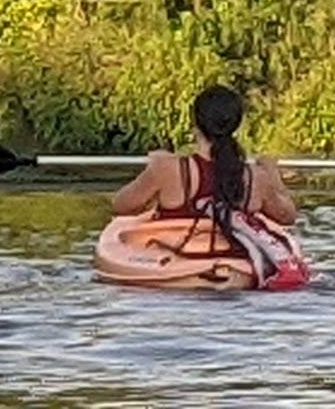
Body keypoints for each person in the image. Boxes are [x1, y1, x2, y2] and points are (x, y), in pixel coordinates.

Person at [110, 85, 308, 289]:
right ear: (235, 125)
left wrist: (153, 169)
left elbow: (121, 205)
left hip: (177, 270)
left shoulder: (167, 168)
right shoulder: (256, 177)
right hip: (235, 271)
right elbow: (287, 216)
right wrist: (273, 174)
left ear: (195, 123)